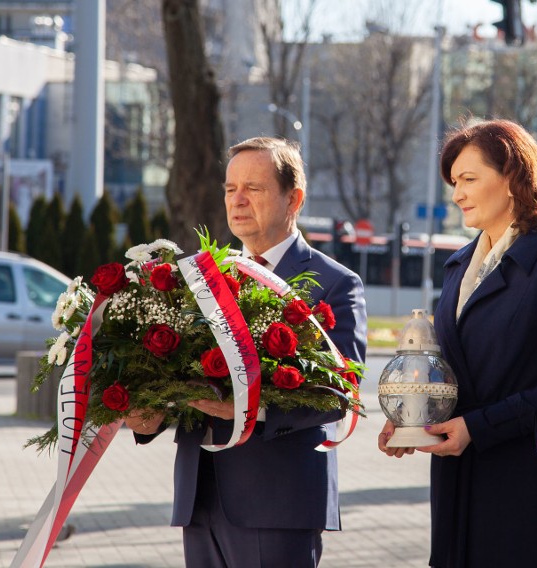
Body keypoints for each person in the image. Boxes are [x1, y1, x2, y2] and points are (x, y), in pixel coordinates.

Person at [126, 137, 367, 568]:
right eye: (229, 188)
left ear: (294, 198)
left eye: (252, 188)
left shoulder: (333, 282)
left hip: (277, 503)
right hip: (199, 499)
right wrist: (151, 417)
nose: (237, 200)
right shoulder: (200, 279)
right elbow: (184, 377)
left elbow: (339, 393)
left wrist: (246, 410)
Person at [378, 119, 537, 567]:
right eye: (454, 182)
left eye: (468, 179)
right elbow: (452, 365)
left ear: (512, 178)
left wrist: (478, 428)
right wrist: (409, 414)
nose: (457, 193)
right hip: (457, 471)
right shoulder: (458, 266)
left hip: (525, 475)